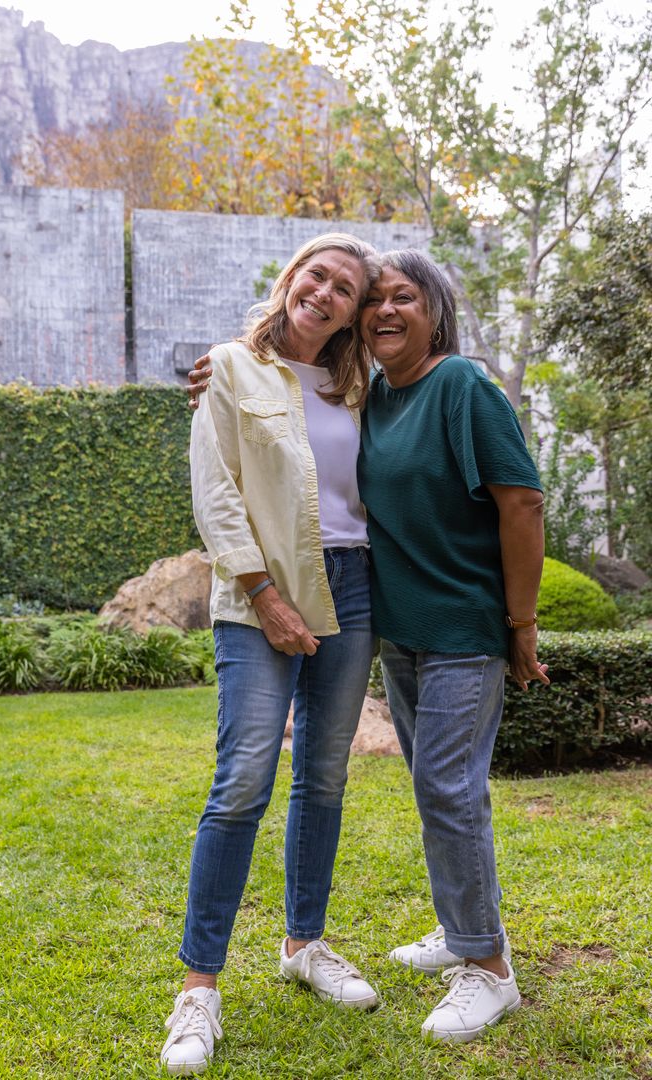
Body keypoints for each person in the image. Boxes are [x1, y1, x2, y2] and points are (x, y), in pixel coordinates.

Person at [187, 244, 549, 1047]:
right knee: (294, 783)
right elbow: (237, 469)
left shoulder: (417, 386)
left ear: (430, 314)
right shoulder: (314, 383)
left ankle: (459, 960)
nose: (377, 307)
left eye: (394, 296)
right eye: (366, 294)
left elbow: (520, 501)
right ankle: (455, 930)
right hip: (336, 611)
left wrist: (521, 625)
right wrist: (221, 375)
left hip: (414, 613)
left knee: (398, 783)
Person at [160, 234, 382, 1076]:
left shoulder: (363, 388)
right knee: (243, 780)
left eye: (344, 289)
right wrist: (266, 596)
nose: (324, 293)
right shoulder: (228, 368)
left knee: (323, 776)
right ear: (292, 279)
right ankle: (198, 989)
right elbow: (215, 493)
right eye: (316, 275)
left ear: (353, 313)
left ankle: (303, 945)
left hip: (355, 586)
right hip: (260, 591)